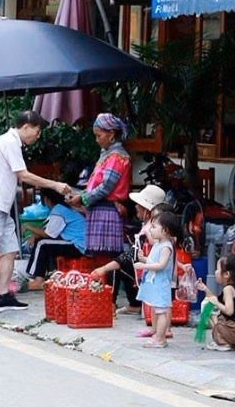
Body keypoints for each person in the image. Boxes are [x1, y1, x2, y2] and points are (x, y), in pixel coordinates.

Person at [0, 111, 70, 318]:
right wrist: (55, 185)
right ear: (26, 126)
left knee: (10, 249)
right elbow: (23, 175)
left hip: (0, 207)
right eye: (37, 130)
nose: (37, 135)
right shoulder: (9, 142)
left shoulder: (10, 142)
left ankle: (3, 296)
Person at [89, 184, 169, 308]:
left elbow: (130, 255)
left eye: (140, 205)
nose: (136, 206)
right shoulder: (154, 227)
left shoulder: (150, 230)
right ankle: (132, 305)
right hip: (150, 275)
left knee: (116, 268)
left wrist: (103, 269)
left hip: (151, 279)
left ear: (148, 212)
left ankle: (110, 305)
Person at [68, 114, 131, 256]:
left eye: (99, 135)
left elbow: (105, 188)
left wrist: (82, 199)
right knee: (101, 258)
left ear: (111, 134)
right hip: (102, 211)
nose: (97, 140)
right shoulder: (109, 155)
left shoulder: (116, 157)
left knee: (105, 258)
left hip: (107, 212)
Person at [136, 211, 182, 349]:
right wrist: (144, 258)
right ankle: (158, 336)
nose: (151, 230)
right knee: (157, 310)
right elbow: (153, 260)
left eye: (154, 227)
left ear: (165, 230)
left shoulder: (166, 246)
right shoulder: (158, 244)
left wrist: (144, 265)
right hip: (155, 283)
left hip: (161, 284)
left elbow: (161, 265)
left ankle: (160, 339)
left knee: (161, 312)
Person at [25, 187, 87, 279]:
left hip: (78, 245)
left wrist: (28, 227)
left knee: (42, 243)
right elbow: (47, 229)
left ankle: (37, 278)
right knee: (43, 242)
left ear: (47, 199)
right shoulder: (63, 208)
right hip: (77, 243)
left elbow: (48, 234)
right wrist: (35, 234)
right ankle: (45, 274)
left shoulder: (59, 210)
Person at [199, 253, 235, 351]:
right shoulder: (234, 287)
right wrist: (205, 289)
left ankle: (223, 343)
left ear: (226, 274)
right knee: (219, 315)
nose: (215, 272)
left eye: (218, 270)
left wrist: (215, 303)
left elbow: (229, 311)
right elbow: (216, 299)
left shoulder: (228, 289)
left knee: (210, 313)